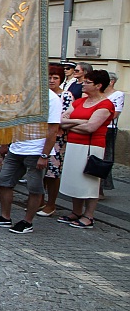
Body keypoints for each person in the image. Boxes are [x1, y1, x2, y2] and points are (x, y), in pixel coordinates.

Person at [0, 85, 61, 233]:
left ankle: (27, 221)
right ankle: (5, 217)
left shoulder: (51, 98)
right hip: (16, 147)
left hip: (36, 149)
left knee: (34, 188)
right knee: (4, 182)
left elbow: (53, 129)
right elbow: (12, 121)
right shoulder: (21, 93)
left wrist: (44, 155)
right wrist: (6, 143)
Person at [57, 69, 115, 229]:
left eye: (87, 82)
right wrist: (80, 122)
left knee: (89, 182)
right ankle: (76, 211)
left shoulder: (105, 104)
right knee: (75, 180)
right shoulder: (80, 102)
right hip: (74, 145)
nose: (82, 84)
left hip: (91, 147)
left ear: (98, 85)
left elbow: (91, 127)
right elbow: (61, 121)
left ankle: (89, 215)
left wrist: (72, 124)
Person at [40, 65, 72, 217]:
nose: (51, 81)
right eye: (49, 77)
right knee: (38, 171)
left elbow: (63, 119)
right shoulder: (40, 95)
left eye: (55, 78)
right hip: (39, 137)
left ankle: (51, 203)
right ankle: (38, 199)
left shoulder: (65, 96)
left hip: (57, 138)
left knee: (52, 172)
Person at [100, 71, 122, 195]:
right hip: (96, 126)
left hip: (109, 128)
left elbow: (115, 114)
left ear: (111, 81)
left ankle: (103, 187)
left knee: (106, 158)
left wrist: (96, 117)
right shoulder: (100, 93)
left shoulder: (117, 94)